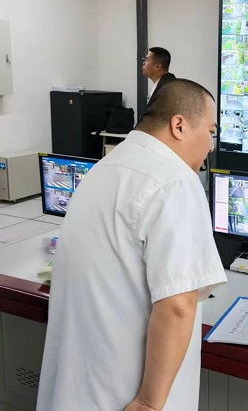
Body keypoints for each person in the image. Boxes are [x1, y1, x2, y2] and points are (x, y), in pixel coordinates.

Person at [37, 79, 227, 411]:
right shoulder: (176, 182)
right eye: (210, 132)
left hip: (79, 387)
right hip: (126, 396)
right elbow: (178, 305)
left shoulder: (105, 167)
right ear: (179, 125)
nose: (211, 146)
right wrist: (150, 403)